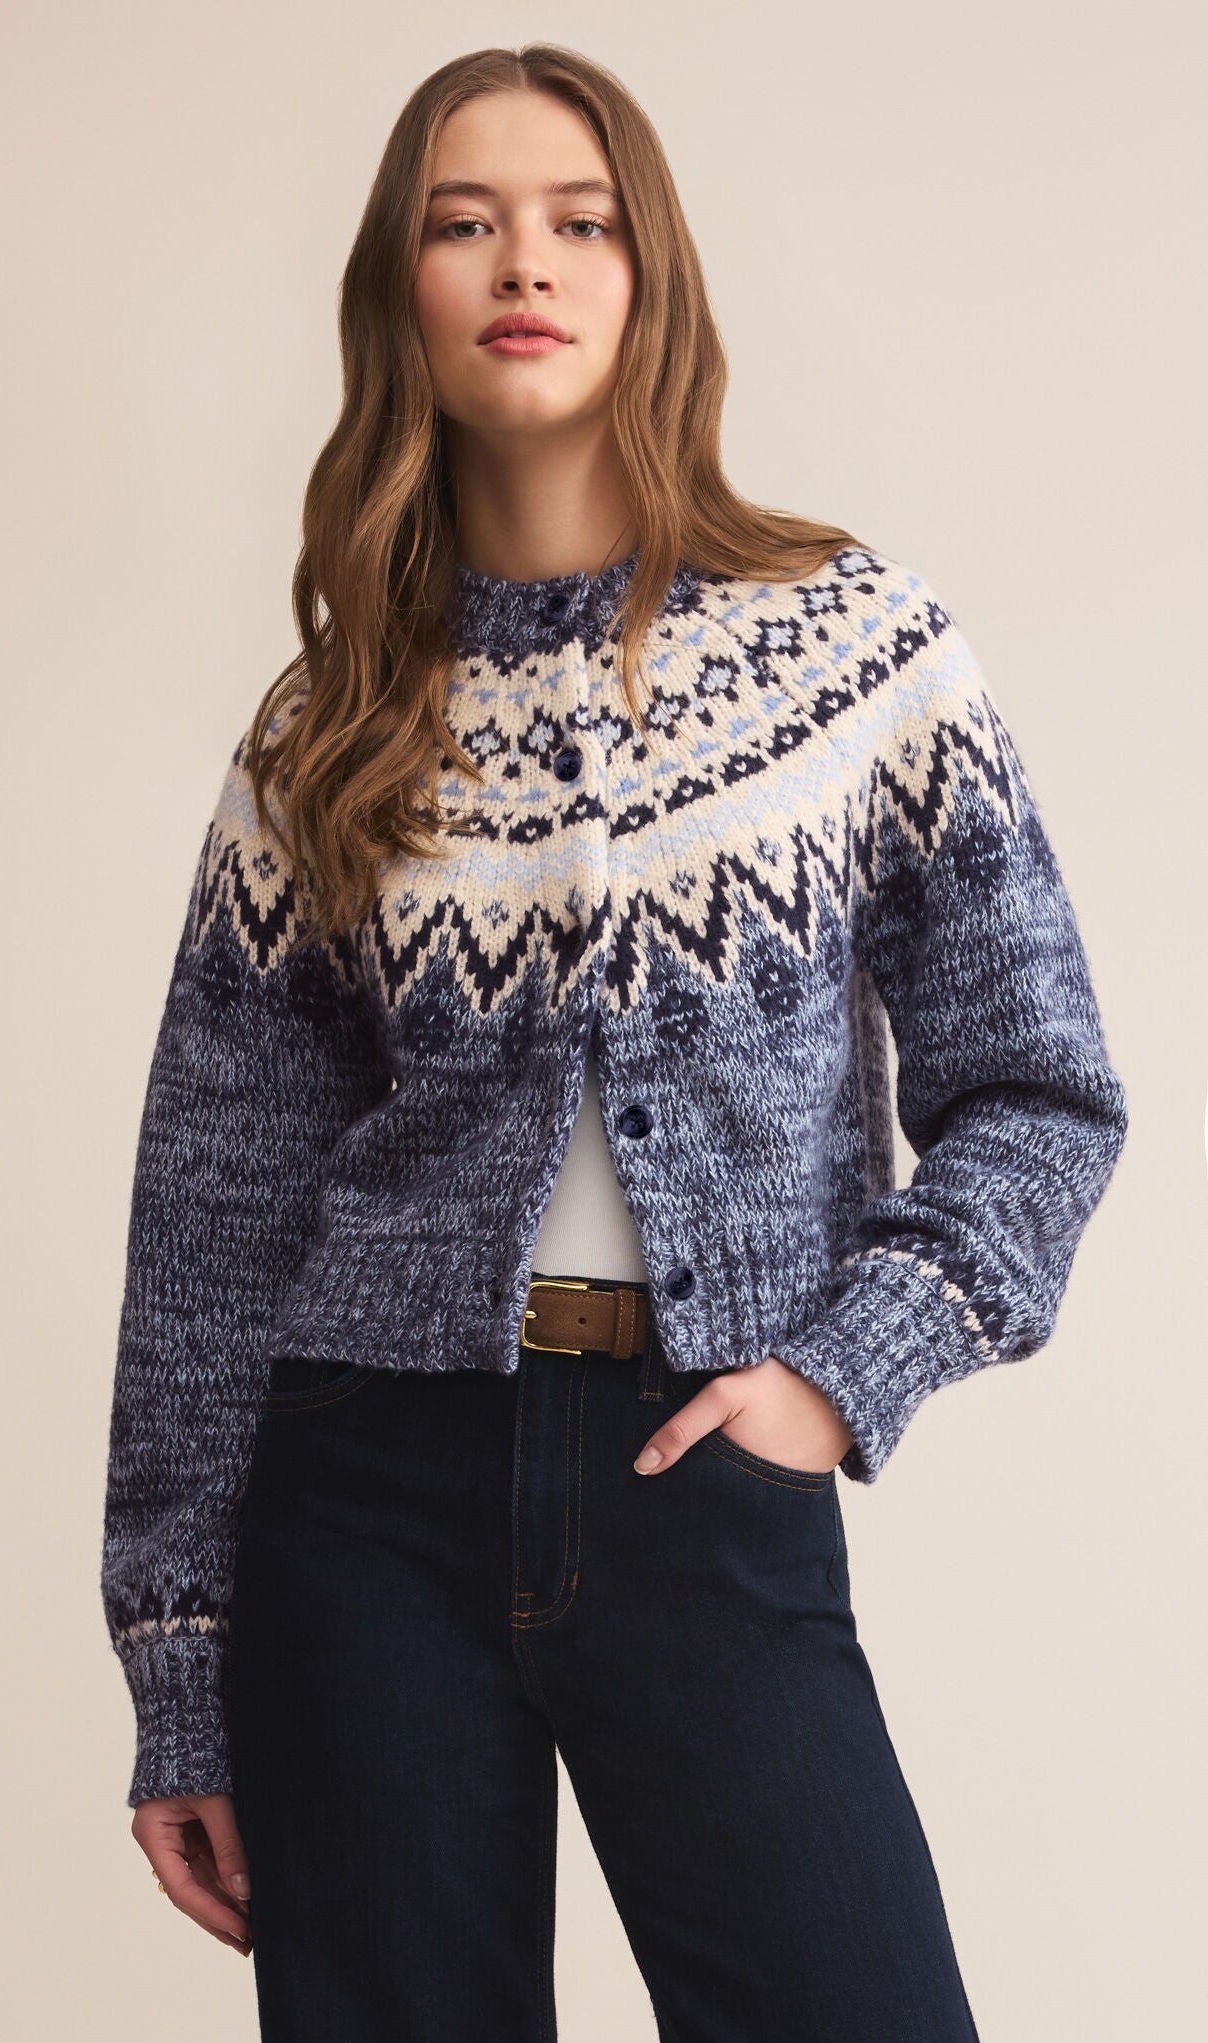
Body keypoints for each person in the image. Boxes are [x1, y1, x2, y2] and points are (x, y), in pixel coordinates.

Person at [99, 42, 1129, 2043]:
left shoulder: (852, 646)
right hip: (360, 1493)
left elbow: (1037, 1089)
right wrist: (179, 1663)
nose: (523, 262)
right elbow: (208, 1225)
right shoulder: (326, 725)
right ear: (396, 290)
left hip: (700, 1463)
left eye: (578, 222)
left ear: (648, 277)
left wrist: (837, 1375)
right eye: (460, 221)